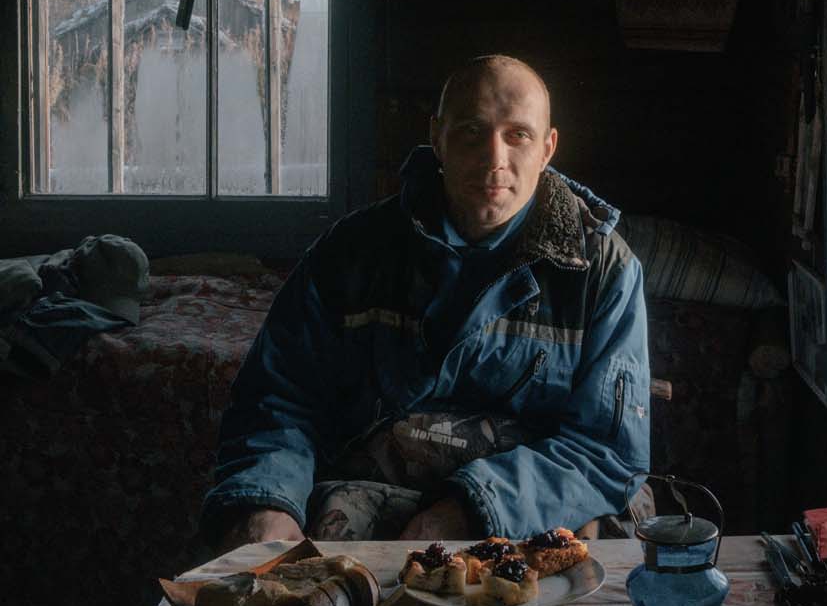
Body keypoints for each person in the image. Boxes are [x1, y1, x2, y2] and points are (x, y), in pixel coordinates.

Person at [202, 55, 650, 551]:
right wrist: (268, 501)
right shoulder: (350, 253)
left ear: (548, 149)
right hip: (363, 498)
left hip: (528, 508)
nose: (493, 158)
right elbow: (278, 398)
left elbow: (607, 450)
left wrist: (471, 509)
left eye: (517, 135)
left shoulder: (604, 271)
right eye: (471, 131)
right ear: (436, 136)